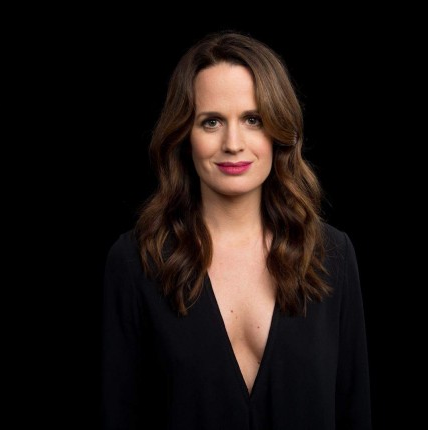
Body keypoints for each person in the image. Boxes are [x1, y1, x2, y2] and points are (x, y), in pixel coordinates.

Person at [102, 30, 371, 429]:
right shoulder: (135, 261)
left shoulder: (333, 255)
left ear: (279, 130)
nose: (233, 143)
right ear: (184, 135)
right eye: (211, 122)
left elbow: (355, 413)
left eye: (252, 120)